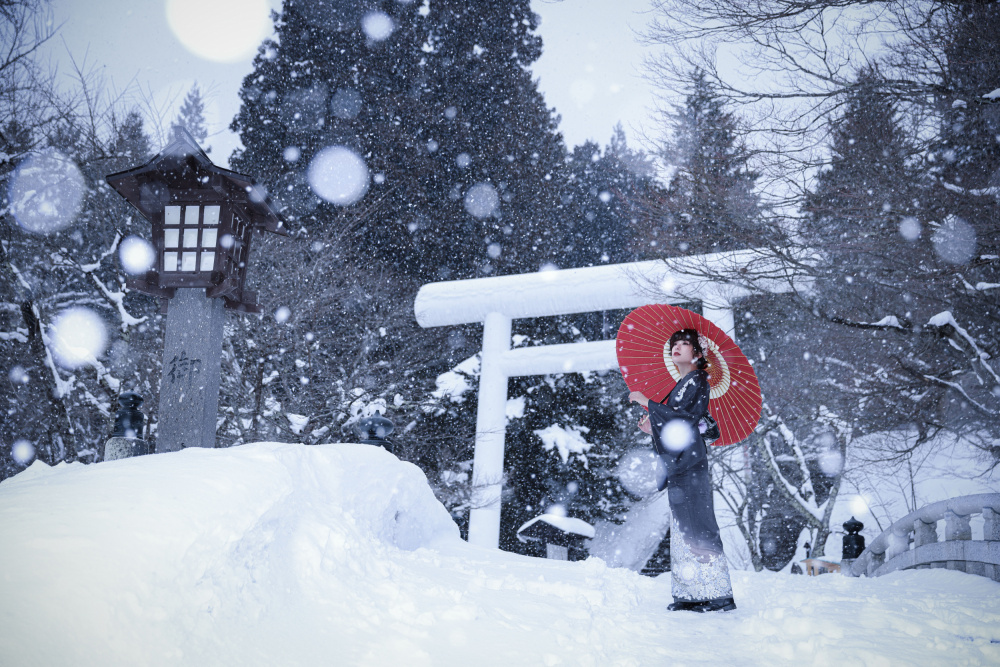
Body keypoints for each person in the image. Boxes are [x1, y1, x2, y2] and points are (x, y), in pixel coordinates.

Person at [628, 328, 736, 613]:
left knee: (698, 524)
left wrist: (647, 403)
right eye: (674, 344)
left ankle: (717, 593)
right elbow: (678, 425)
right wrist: (653, 426)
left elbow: (685, 418)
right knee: (684, 527)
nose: (677, 347)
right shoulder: (684, 383)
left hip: (689, 463)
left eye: (685, 344)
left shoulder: (697, 379)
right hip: (683, 464)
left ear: (698, 354)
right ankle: (692, 593)